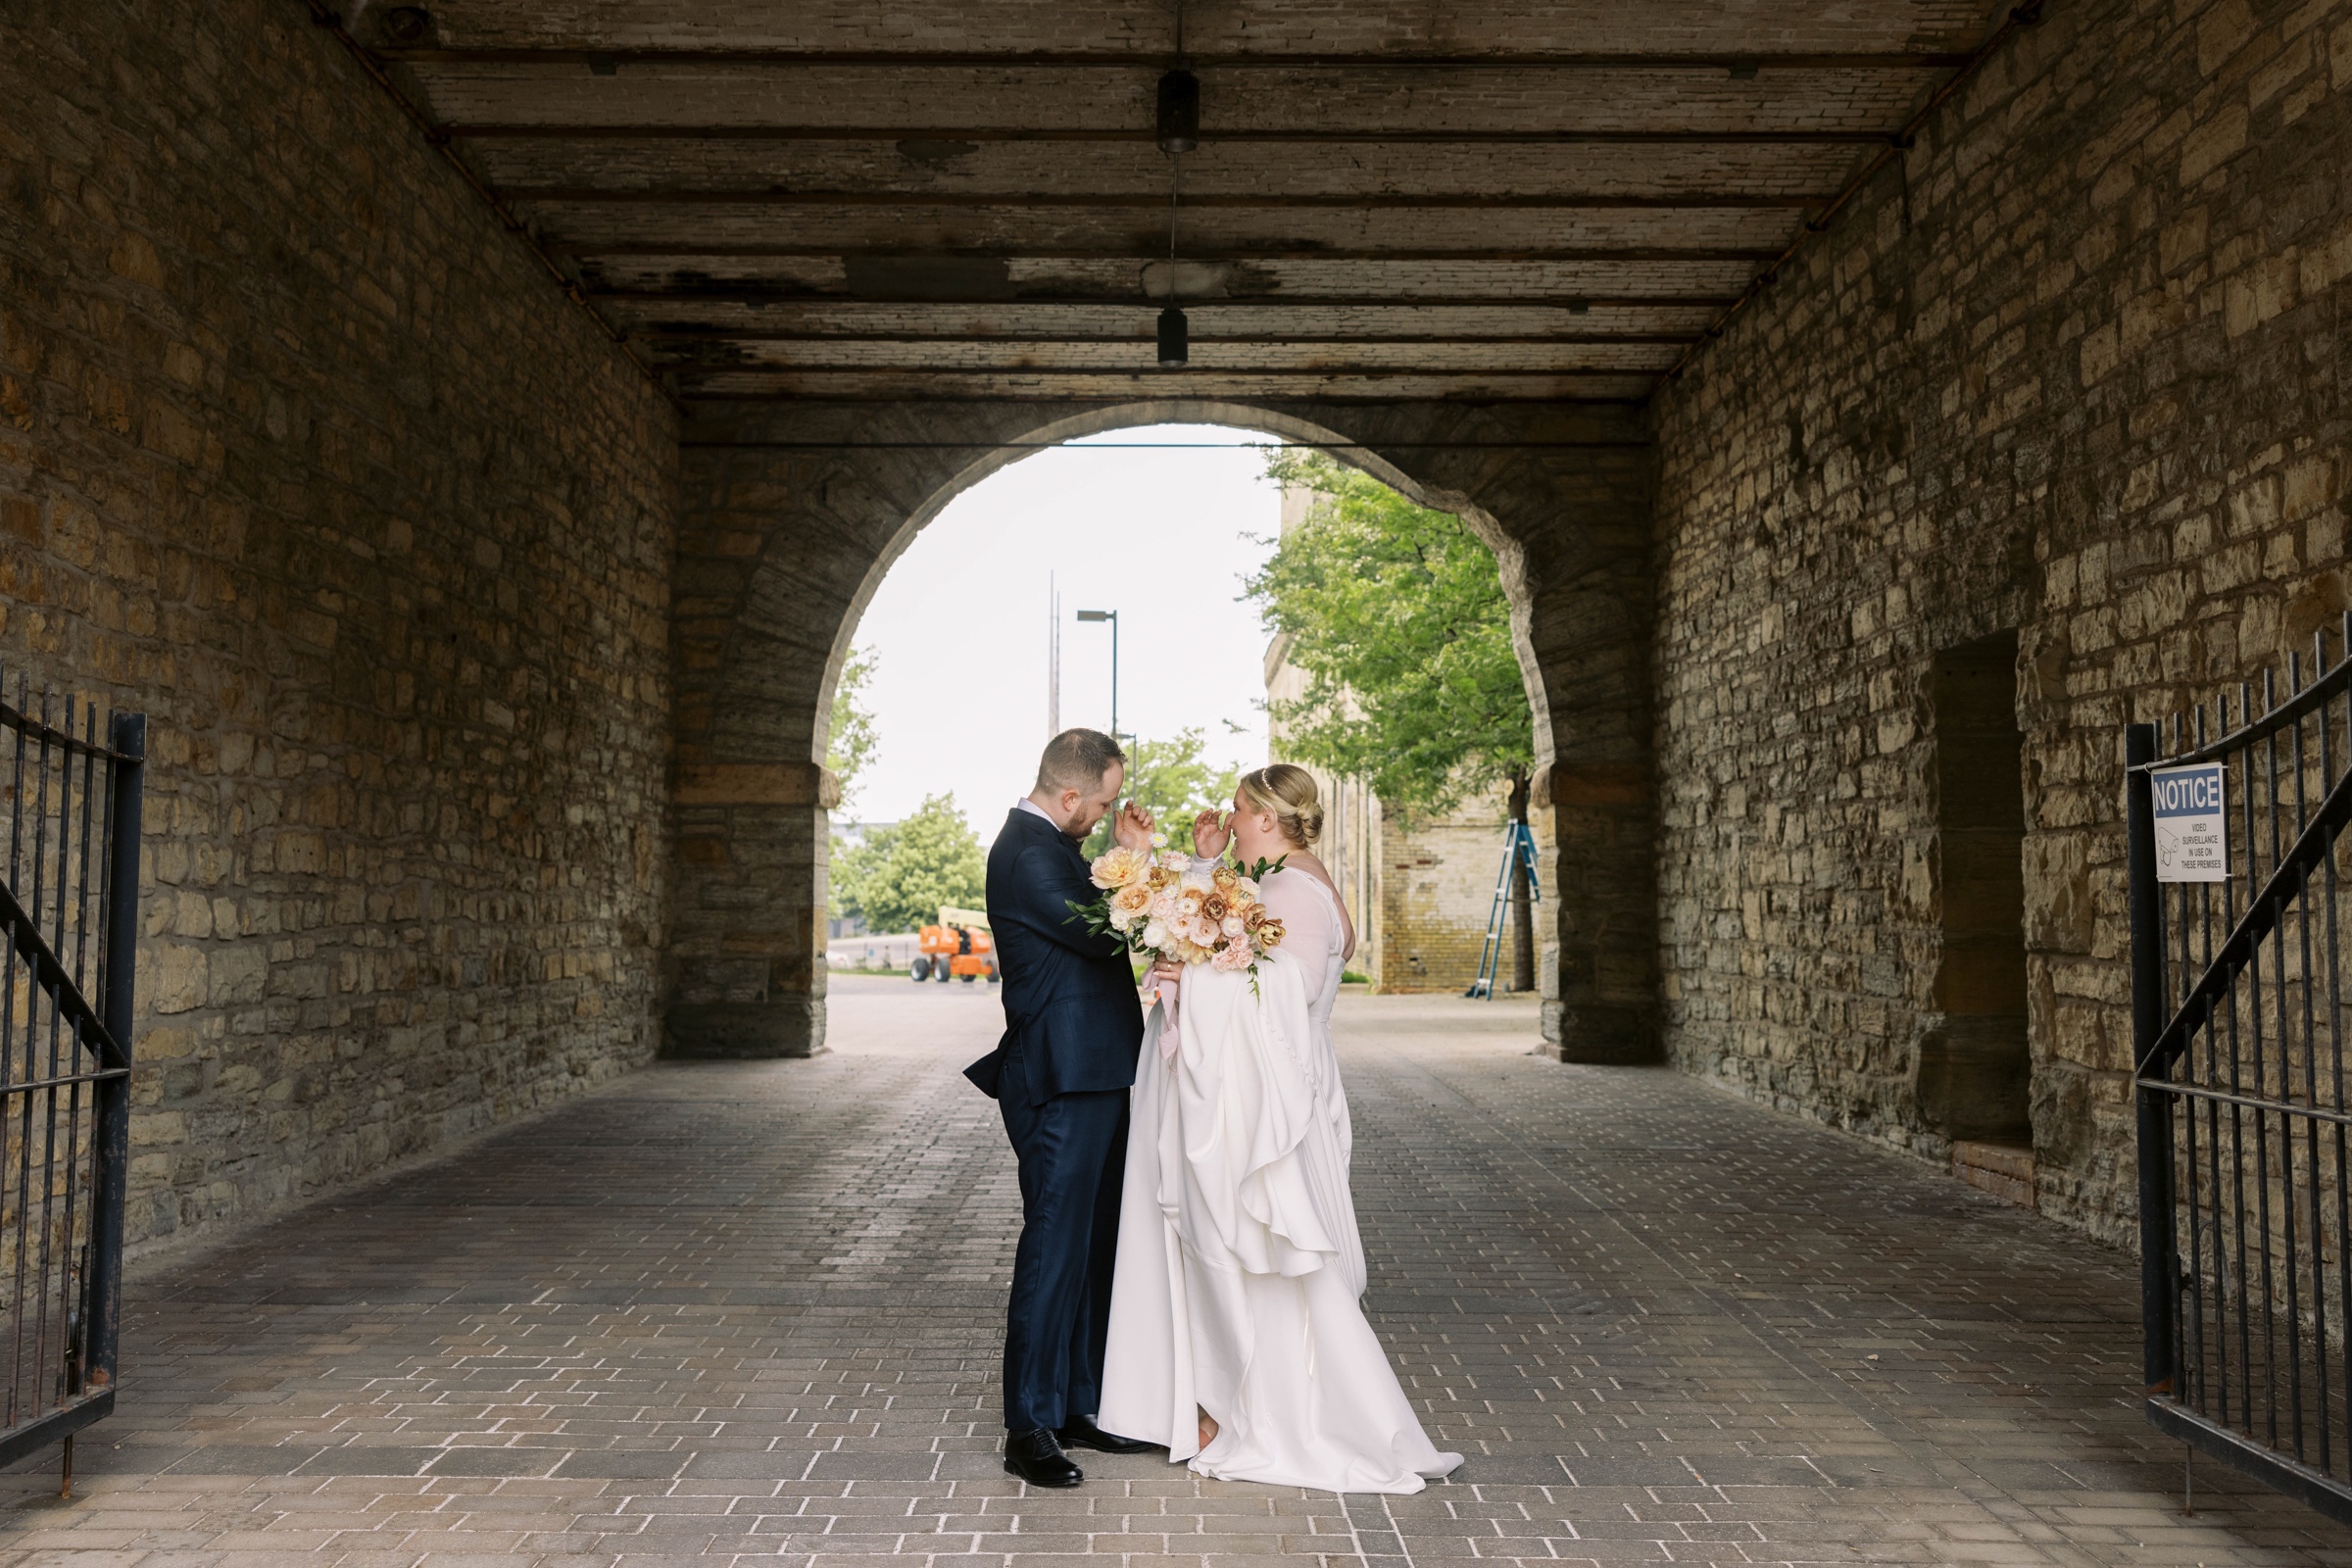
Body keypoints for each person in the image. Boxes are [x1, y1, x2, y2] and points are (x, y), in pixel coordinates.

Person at [1097, 763, 1464, 1494]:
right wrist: (1202, 876)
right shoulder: (1301, 877)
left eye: (1237, 810)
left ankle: (1276, 1414)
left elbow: (1278, 998)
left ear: (1268, 815)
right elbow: (1255, 960)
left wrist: (1186, 971)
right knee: (1258, 1258)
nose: (1229, 820)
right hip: (1285, 1089)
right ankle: (1231, 1399)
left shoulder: (1292, 888)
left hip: (1271, 1103)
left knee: (1263, 1254)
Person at [967, 728, 1161, 1487]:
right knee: (1053, 1248)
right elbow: (1101, 931)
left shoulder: (1056, 850)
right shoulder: (1026, 853)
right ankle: (1028, 1426)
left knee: (1093, 1245)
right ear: (1072, 794)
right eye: (1104, 801)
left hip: (1097, 1070)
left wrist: (1122, 860)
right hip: (1059, 1077)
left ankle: (1079, 1403)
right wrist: (1135, 866)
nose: (1107, 814)